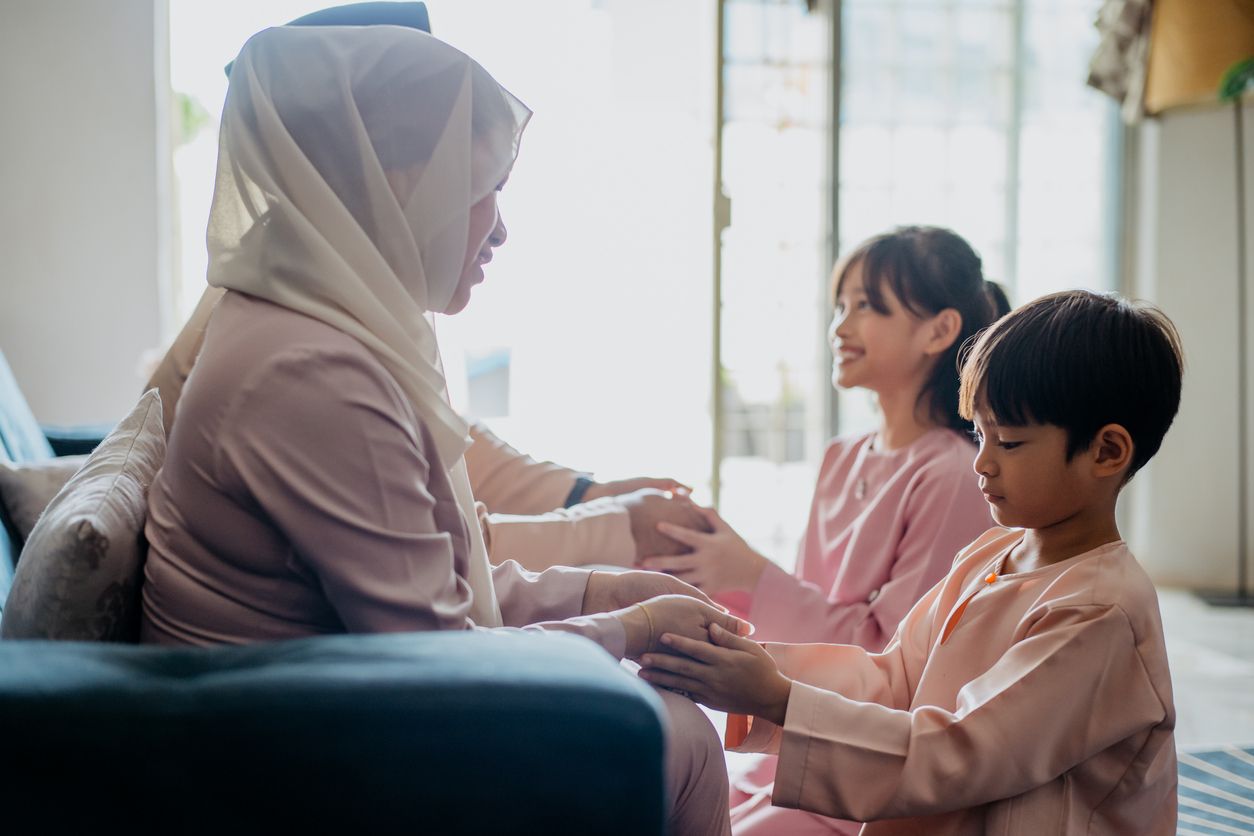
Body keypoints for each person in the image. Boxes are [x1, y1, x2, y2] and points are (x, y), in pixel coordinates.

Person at [140, 24, 741, 835]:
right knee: (679, 733)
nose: (498, 230)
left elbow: (440, 575)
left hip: (318, 704)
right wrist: (628, 626)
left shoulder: (319, 322)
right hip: (291, 755)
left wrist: (605, 588)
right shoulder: (310, 371)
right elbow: (444, 653)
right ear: (398, 185)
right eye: (480, 187)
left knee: (671, 716)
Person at [640, 289, 1183, 834]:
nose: (983, 463)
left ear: (1107, 452)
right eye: (979, 433)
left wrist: (781, 699)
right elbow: (897, 678)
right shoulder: (992, 554)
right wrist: (757, 667)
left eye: (1010, 443)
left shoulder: (1100, 611)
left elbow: (964, 753)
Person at [641, 227, 1008, 833]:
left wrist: (752, 574)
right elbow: (813, 609)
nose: (841, 326)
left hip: (863, 766)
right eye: (842, 306)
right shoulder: (843, 454)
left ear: (939, 331)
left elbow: (892, 664)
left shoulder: (951, 473)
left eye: (867, 305)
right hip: (790, 743)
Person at [149, 288, 705, 571]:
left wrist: (592, 496)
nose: (499, 230)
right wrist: (608, 528)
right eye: (475, 187)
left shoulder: (314, 283)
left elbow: (447, 449)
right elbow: (436, 558)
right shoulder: (306, 353)